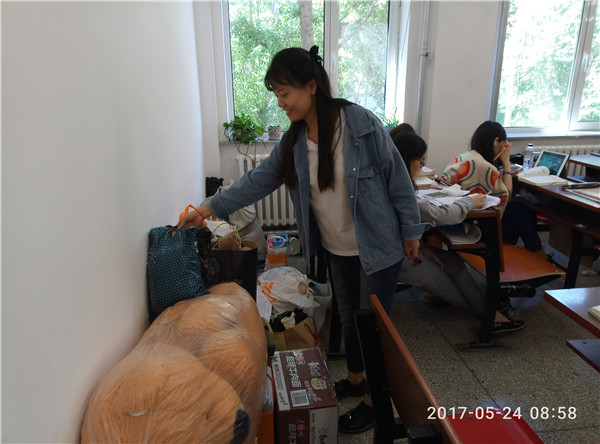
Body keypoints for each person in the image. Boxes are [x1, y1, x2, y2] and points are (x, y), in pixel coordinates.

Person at [177, 46, 427, 434]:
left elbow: (397, 177)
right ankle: (357, 378)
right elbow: (257, 180)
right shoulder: (294, 141)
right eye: (276, 94)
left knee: (374, 325)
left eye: (285, 92)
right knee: (349, 316)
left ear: (311, 86)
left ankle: (373, 401)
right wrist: (207, 209)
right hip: (337, 247)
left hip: (379, 246)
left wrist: (411, 230)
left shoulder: (359, 123)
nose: (281, 102)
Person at [391, 128, 524, 333]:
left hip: (409, 248)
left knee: (455, 263)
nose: (421, 166)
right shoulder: (399, 189)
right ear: (408, 160)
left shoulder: (399, 181)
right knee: (449, 289)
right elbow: (439, 215)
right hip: (401, 258)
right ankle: (488, 315)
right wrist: (470, 202)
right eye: (421, 162)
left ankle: (487, 311)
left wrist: (425, 248)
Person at [439, 121, 546, 258]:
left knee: (517, 211)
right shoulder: (483, 165)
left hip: (454, 213)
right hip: (467, 223)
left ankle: (523, 253)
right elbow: (506, 195)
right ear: (496, 141)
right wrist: (506, 164)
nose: (505, 147)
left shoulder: (468, 157)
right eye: (503, 143)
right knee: (517, 208)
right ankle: (534, 253)